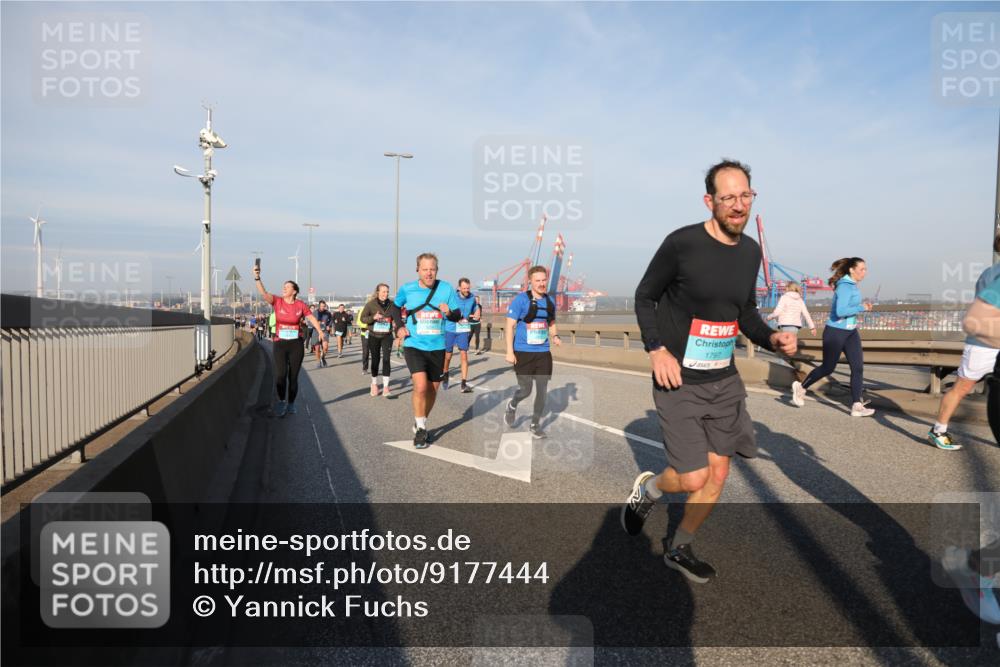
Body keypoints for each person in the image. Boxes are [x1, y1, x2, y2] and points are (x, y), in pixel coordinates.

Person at [624, 159, 797, 583]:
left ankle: (679, 546)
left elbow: (745, 313)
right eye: (728, 198)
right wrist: (656, 349)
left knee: (719, 472)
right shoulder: (682, 244)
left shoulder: (752, 251)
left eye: (745, 196)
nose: (738, 205)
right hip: (678, 379)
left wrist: (771, 337)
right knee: (693, 475)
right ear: (710, 201)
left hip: (724, 379)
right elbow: (645, 296)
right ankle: (650, 490)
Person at [929, 252, 1000, 450]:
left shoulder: (989, 272)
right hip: (984, 344)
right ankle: (938, 431)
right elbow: (978, 314)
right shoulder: (995, 274)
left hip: (986, 341)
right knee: (961, 388)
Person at [394, 253, 463, 448]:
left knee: (433, 389)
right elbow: (394, 308)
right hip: (414, 344)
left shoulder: (446, 288)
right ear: (418, 270)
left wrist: (449, 312)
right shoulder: (408, 289)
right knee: (421, 386)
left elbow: (457, 315)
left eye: (432, 269)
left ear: (437, 270)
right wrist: (399, 326)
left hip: (438, 346)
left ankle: (420, 420)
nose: (429, 273)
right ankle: (422, 430)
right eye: (425, 269)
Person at [790, 258, 874, 417]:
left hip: (850, 332)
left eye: (865, 269)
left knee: (858, 367)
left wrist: (860, 308)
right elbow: (841, 312)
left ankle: (856, 405)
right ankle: (801, 388)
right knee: (828, 367)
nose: (865, 272)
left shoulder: (851, 285)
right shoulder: (844, 286)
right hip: (835, 332)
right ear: (852, 270)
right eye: (862, 269)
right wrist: (861, 307)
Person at [253, 265, 325, 417]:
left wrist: (320, 332)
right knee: (280, 375)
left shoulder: (300, 305)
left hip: (295, 345)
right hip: (280, 343)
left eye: (287, 287)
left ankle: (291, 403)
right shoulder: (277, 301)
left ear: (294, 291)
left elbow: (312, 318)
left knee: (293, 376)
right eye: (283, 286)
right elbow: (263, 293)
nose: (284, 288)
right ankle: (281, 401)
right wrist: (257, 277)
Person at [503, 266, 562, 438]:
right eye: (538, 280)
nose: (542, 283)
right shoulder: (521, 300)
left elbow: (551, 323)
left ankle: (535, 425)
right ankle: (513, 404)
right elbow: (510, 325)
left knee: (542, 390)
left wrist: (555, 336)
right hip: (523, 351)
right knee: (526, 390)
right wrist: (509, 351)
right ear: (530, 281)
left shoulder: (550, 302)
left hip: (543, 352)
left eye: (544, 280)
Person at [360, 283, 400, 397]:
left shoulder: (392, 304)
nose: (385, 294)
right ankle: (374, 384)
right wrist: (373, 318)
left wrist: (398, 336)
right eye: (383, 292)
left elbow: (397, 321)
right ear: (377, 292)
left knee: (386, 360)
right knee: (376, 360)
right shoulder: (370, 304)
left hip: (387, 335)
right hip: (374, 335)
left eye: (387, 292)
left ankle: (386, 387)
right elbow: (363, 318)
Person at [442, 278, 480, 393]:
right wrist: (454, 317)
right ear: (459, 288)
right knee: (448, 356)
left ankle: (463, 383)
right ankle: (445, 373)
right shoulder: (452, 297)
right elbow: (445, 313)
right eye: (464, 288)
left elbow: (475, 307)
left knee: (464, 354)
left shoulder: (472, 298)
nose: (466, 290)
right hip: (450, 328)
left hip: (463, 329)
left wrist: (477, 311)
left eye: (468, 288)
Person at [311, 301, 333, 367]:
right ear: (319, 306)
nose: (323, 307)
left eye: (324, 306)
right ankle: (318, 361)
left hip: (324, 331)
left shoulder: (327, 313)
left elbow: (331, 320)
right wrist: (316, 323)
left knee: (325, 347)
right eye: (321, 306)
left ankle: (323, 358)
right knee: (317, 348)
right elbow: (310, 321)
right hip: (316, 331)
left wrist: (329, 325)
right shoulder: (315, 312)